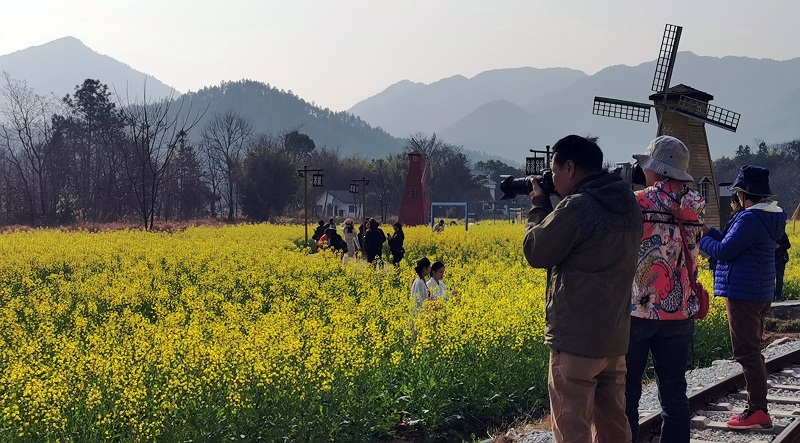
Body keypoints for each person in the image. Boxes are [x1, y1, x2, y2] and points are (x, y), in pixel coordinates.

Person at [522, 134, 642, 443]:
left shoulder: (577, 208)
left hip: (577, 341)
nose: (553, 177)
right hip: (614, 338)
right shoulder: (628, 203)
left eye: (555, 169)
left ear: (571, 167)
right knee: (615, 425)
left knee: (573, 428)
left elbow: (536, 250)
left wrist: (539, 207)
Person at [625, 136, 706, 443]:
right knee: (674, 394)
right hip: (680, 314)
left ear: (655, 169)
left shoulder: (638, 202)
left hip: (637, 311)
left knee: (627, 393)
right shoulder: (694, 207)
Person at [699, 165, 787, 429]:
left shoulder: (749, 219)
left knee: (747, 353)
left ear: (745, 195)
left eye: (736, 196)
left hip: (742, 293)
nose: (736, 201)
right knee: (753, 351)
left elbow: (725, 251)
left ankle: (758, 411)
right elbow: (732, 241)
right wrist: (708, 231)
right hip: (757, 291)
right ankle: (757, 407)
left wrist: (700, 240)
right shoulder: (768, 217)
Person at [775, 230, 791, 301]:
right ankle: (771, 296)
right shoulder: (769, 234)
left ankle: (778, 295)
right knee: (770, 279)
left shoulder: (782, 234)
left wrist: (780, 246)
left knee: (779, 279)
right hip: (771, 259)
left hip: (780, 259)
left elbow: (788, 245)